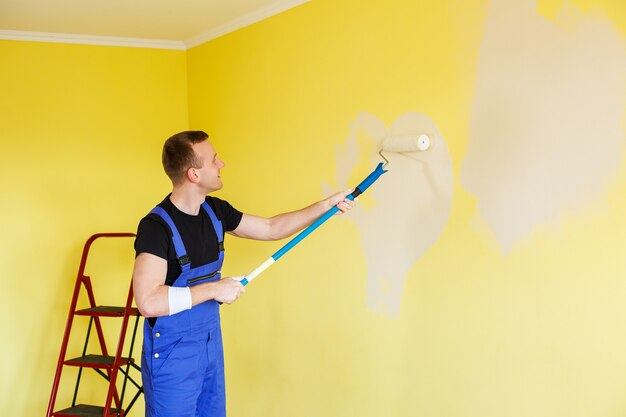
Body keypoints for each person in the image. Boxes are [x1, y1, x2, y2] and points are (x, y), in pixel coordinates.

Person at [132, 130, 355, 417]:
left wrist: (325, 207)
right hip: (173, 356)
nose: (221, 164)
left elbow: (271, 228)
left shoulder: (214, 211)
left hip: (209, 345)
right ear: (194, 175)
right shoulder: (155, 227)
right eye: (214, 160)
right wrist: (214, 289)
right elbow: (148, 302)